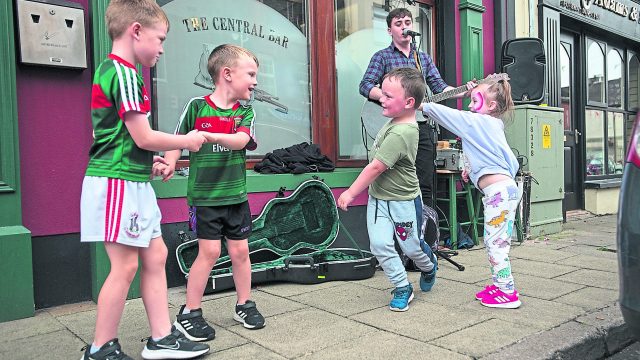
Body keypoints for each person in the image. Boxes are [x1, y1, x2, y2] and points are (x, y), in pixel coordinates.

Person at [80, 1, 211, 359]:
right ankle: (100, 348)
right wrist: (187, 140)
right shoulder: (122, 73)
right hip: (115, 182)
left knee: (155, 256)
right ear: (136, 30)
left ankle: (162, 338)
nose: (162, 48)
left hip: (131, 179)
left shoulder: (121, 73)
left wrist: (147, 161)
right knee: (125, 266)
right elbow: (143, 136)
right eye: (160, 38)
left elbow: (128, 138)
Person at [160, 44, 265, 342]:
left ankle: (244, 304)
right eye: (251, 74)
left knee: (241, 251)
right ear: (227, 74)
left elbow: (241, 140)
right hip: (205, 198)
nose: (256, 81)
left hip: (236, 197)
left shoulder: (246, 110)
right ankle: (190, 312)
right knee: (209, 252)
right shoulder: (197, 106)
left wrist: (208, 136)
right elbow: (177, 140)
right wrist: (169, 162)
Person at [338, 67, 437, 312]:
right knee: (380, 245)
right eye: (382, 93)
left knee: (411, 246)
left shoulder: (403, 132)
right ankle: (402, 286)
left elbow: (376, 168)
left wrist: (350, 193)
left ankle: (428, 264)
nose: (381, 98)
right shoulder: (394, 121)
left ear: (409, 102)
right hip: (379, 199)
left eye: (388, 96)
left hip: (403, 201)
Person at [421, 77, 522, 309]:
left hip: (498, 194)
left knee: (495, 242)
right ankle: (499, 286)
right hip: (504, 191)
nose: (469, 104)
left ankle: (507, 291)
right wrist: (472, 170)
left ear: (491, 106)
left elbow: (450, 117)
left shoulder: (478, 122)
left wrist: (422, 105)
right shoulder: (492, 126)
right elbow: (499, 157)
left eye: (475, 98)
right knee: (497, 241)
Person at [359, 7, 472, 209]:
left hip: (420, 127)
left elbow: (440, 87)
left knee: (425, 182)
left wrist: (465, 91)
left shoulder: (423, 59)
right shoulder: (382, 57)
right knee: (392, 175)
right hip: (394, 127)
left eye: (407, 23)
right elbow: (365, 85)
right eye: (398, 24)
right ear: (389, 30)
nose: (404, 27)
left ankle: (425, 233)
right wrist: (387, 97)